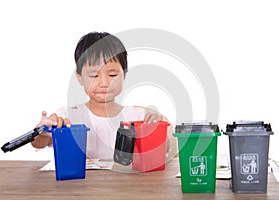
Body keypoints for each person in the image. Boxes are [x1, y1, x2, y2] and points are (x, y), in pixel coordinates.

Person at [31, 32, 176, 160]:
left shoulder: (137, 116)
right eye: (94, 75)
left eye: (112, 75)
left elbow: (171, 150)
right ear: (80, 77)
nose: (104, 83)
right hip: (79, 189)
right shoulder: (67, 116)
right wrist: (42, 131)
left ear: (124, 75)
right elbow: (38, 143)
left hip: (128, 189)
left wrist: (160, 122)